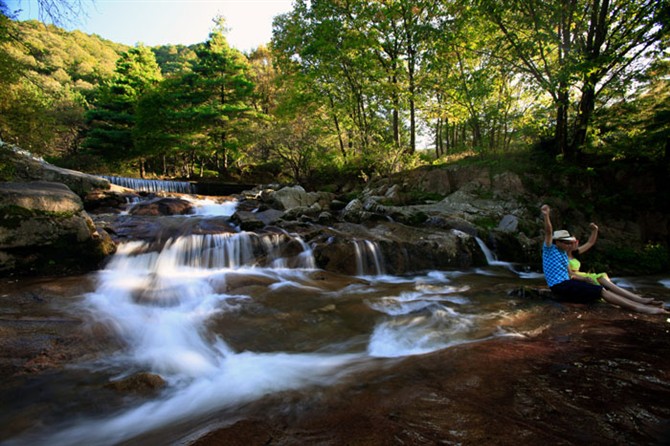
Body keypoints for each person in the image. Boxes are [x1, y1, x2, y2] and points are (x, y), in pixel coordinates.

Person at [540, 204, 667, 314]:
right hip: (559, 286)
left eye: (569, 243)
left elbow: (570, 274)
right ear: (557, 242)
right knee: (600, 291)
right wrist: (546, 216)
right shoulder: (550, 249)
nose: (569, 245)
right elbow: (548, 232)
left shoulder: (563, 253)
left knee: (597, 289)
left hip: (567, 283)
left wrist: (584, 279)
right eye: (566, 242)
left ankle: (640, 302)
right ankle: (639, 308)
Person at [567, 222, 664, 307]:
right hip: (575, 277)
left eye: (576, 242)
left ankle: (637, 299)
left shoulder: (576, 252)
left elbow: (590, 242)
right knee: (601, 281)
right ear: (567, 244)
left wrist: (595, 230)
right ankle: (637, 300)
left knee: (605, 280)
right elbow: (569, 273)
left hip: (581, 274)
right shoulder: (562, 256)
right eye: (573, 242)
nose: (576, 244)